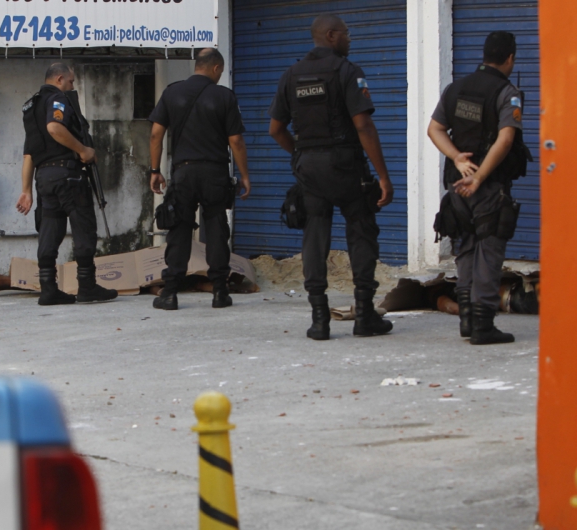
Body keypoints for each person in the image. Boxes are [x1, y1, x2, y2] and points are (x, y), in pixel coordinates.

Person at [267, 14, 394, 341]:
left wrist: (299, 153)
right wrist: (383, 175)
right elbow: (364, 125)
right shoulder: (348, 72)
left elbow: (275, 129)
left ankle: (319, 319)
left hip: (310, 168)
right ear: (332, 35)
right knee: (361, 231)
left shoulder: (290, 75)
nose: (350, 40)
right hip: (345, 164)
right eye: (347, 35)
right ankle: (365, 315)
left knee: (315, 235)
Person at [428, 31, 528, 345]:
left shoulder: (455, 88)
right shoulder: (507, 92)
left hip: (457, 186)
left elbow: (435, 129)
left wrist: (458, 158)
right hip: (487, 187)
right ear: (510, 58)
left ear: (484, 55)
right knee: (489, 251)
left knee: (467, 249)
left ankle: (468, 320)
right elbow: (506, 139)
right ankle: (483, 325)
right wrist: (481, 176)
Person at [148, 48, 252, 311]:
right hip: (215, 173)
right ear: (216, 68)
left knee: (179, 229)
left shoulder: (171, 92)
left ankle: (170, 293)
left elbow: (155, 135)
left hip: (183, 172)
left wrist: (154, 170)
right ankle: (219, 292)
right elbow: (236, 141)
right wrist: (245, 175)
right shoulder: (224, 96)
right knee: (216, 229)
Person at [16, 63, 118, 306]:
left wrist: (26, 191)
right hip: (68, 175)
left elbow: (29, 155)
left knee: (50, 231)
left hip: (45, 178)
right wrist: (83, 150)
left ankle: (49, 289)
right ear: (60, 79)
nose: (72, 86)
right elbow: (55, 127)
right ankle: (87, 287)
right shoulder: (56, 99)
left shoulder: (32, 107)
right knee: (84, 227)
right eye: (71, 82)